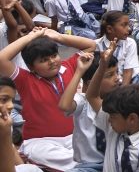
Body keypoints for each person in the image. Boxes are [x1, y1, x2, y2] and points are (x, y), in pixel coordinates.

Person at [0, 27, 97, 171]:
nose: (52, 61)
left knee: (87, 153)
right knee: (70, 159)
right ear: (32, 67)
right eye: (44, 60)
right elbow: (2, 59)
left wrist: (58, 37)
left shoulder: (70, 66)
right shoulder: (25, 80)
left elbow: (91, 45)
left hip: (74, 137)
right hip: (41, 142)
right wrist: (32, 36)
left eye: (54, 55)